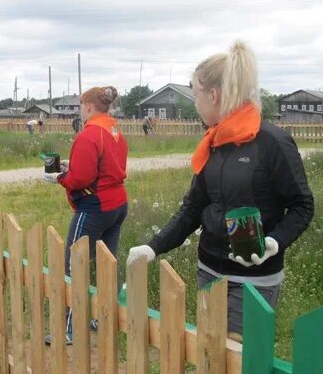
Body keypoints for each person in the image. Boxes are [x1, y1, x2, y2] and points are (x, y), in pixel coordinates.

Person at [126, 41, 314, 338]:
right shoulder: (213, 143)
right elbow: (193, 208)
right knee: (210, 353)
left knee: (238, 360)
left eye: (196, 93)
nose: (195, 102)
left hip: (255, 280)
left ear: (213, 96)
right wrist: (154, 246)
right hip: (210, 270)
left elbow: (303, 206)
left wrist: (275, 241)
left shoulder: (272, 143)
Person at [43, 86, 128, 344]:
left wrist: (58, 176)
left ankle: (69, 329)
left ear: (88, 106)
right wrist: (72, 167)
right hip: (118, 203)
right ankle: (103, 318)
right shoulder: (114, 132)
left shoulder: (89, 135)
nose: (81, 110)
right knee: (107, 264)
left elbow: (81, 178)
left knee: (74, 264)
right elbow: (108, 167)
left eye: (81, 105)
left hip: (93, 207)